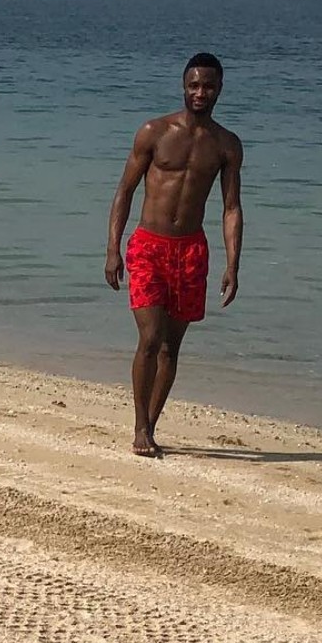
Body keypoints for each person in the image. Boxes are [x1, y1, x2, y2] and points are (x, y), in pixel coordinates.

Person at [104, 52, 244, 457]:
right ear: (183, 86)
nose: (201, 92)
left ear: (219, 89)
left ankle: (151, 424)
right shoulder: (154, 132)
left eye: (209, 86)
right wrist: (114, 249)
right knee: (149, 337)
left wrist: (233, 264)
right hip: (149, 245)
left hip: (191, 251)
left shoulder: (226, 145)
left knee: (171, 347)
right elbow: (124, 191)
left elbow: (231, 208)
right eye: (194, 85)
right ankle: (139, 428)